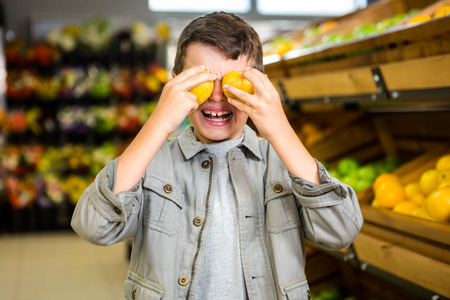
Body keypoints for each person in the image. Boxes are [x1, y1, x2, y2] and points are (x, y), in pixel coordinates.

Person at [71, 11, 363, 300]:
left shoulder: (283, 162)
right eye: (203, 79)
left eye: (233, 81)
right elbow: (95, 228)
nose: (217, 96)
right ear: (175, 84)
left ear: (260, 86)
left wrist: (279, 129)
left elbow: (340, 232)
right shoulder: (152, 162)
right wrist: (158, 123)